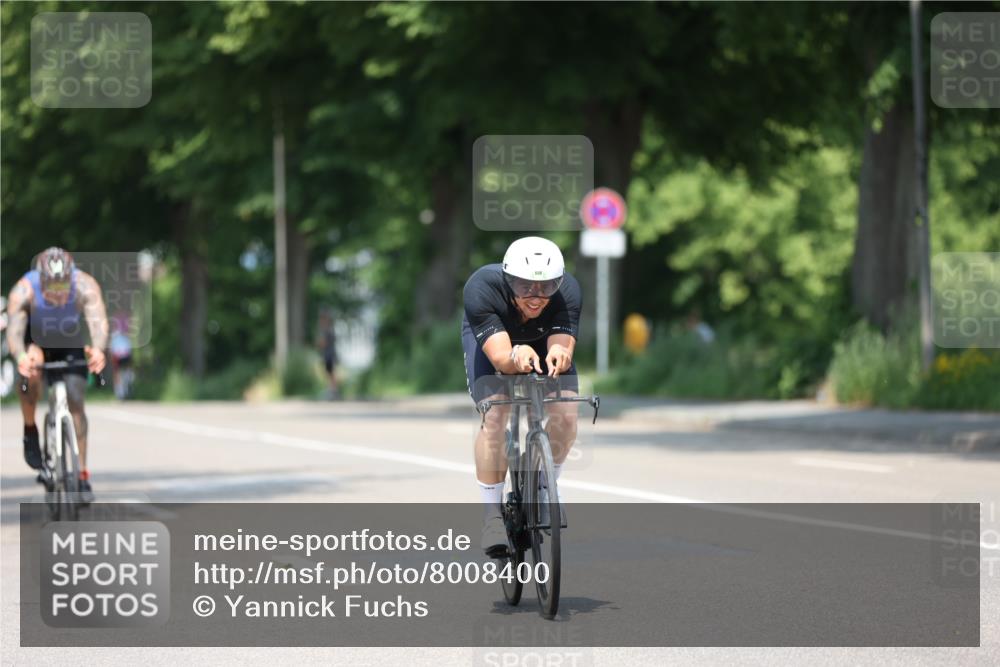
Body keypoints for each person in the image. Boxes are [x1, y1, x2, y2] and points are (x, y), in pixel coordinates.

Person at [462, 236, 581, 557]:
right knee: (496, 415)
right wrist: (515, 355)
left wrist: (559, 355)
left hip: (541, 341)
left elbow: (560, 344)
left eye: (546, 287)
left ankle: (545, 487)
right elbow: (501, 357)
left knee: (567, 412)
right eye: (524, 285)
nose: (536, 296)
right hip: (497, 345)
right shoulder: (482, 289)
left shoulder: (567, 291)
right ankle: (491, 516)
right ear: (507, 278)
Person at [5, 247, 108, 503]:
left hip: (68, 338)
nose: (59, 293)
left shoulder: (84, 285)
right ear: (40, 280)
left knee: (75, 398)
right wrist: (20, 357)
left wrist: (98, 349)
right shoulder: (24, 291)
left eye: (63, 286)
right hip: (36, 339)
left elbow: (98, 322)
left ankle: (82, 476)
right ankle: (30, 430)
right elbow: (15, 332)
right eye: (52, 287)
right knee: (31, 372)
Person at [316, 309, 339, 399]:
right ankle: (332, 390)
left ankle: (332, 391)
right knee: (329, 373)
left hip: (329, 355)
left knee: (330, 373)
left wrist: (318, 343)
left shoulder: (327, 330)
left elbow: (323, 343)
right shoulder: (330, 329)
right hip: (329, 355)